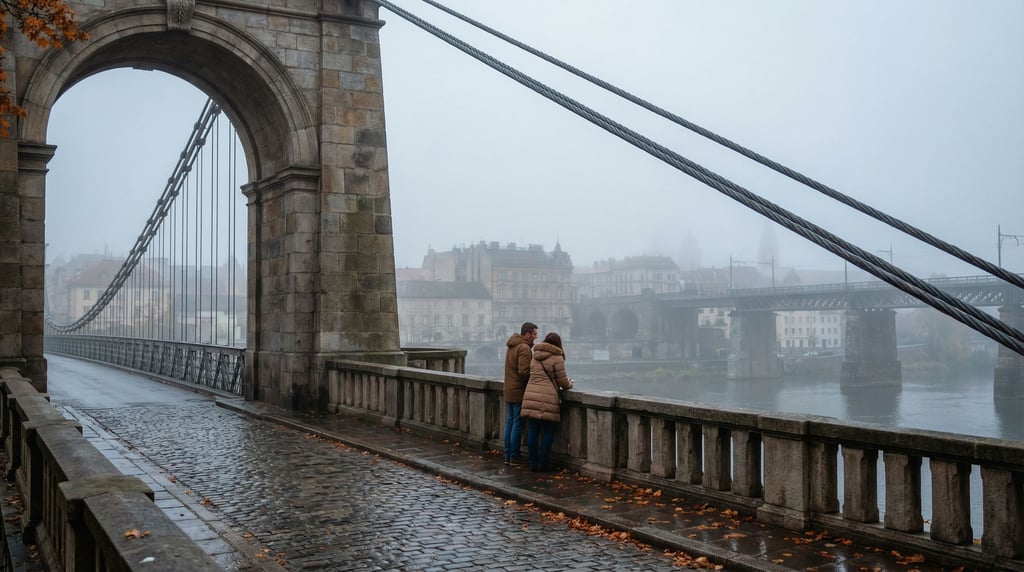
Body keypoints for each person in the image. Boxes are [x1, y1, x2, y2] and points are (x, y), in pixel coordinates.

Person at [520, 332, 573, 472]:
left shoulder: (535, 355)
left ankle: (532, 463)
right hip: (548, 398)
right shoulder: (557, 357)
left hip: (531, 395)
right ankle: (543, 463)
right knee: (548, 432)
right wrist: (570, 384)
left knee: (533, 431)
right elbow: (562, 381)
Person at [503, 322, 537, 464]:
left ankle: (507, 455)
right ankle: (514, 455)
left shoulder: (512, 345)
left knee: (510, 423)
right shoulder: (524, 348)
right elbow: (524, 372)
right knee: (517, 424)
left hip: (509, 389)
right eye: (534, 334)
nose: (536, 337)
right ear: (527, 334)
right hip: (518, 391)